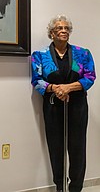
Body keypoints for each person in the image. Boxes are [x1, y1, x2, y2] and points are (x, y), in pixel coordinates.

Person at [31, 14, 96, 192]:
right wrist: (55, 89)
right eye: (59, 28)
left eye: (67, 28)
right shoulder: (40, 55)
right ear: (51, 33)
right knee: (56, 147)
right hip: (53, 106)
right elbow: (37, 80)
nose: (64, 31)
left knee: (77, 148)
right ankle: (60, 186)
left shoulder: (83, 53)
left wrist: (68, 88)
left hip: (78, 106)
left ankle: (76, 188)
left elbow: (90, 77)